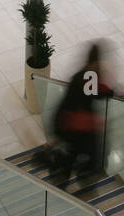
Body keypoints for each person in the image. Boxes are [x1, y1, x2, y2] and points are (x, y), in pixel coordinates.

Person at [46, 43, 112, 186]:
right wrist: (109, 92)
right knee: (83, 151)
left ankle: (64, 177)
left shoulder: (84, 75)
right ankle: (77, 176)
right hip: (74, 126)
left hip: (71, 125)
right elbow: (94, 94)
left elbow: (94, 94)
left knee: (73, 153)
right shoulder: (88, 77)